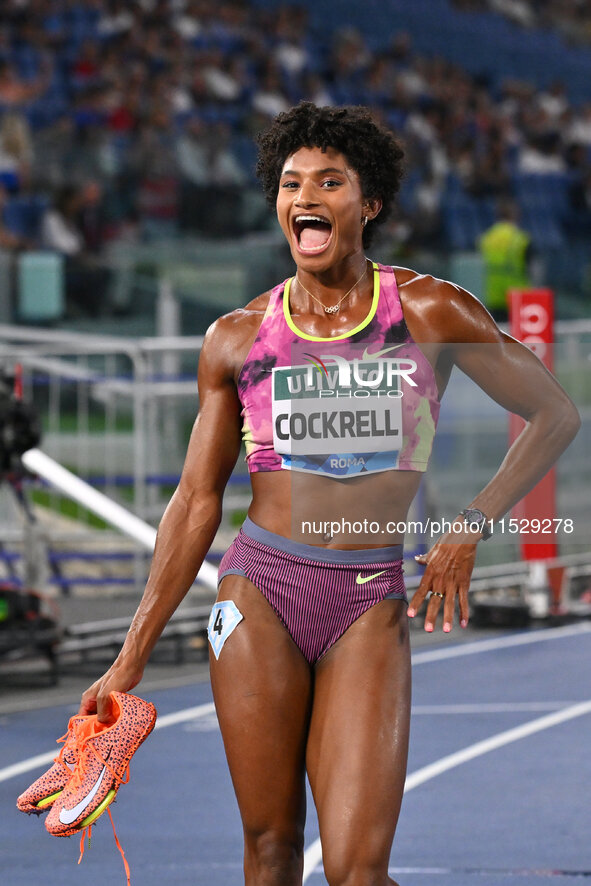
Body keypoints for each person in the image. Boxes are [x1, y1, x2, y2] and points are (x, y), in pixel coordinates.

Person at [79, 103, 580, 886]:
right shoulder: (237, 337)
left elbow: (553, 412)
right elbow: (194, 501)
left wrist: (467, 526)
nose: (303, 195)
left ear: (367, 203)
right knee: (271, 847)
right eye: (289, 183)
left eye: (329, 181)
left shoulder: (426, 310)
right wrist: (130, 655)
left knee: (356, 869)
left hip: (367, 600)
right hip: (258, 592)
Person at [478, 199, 533, 322]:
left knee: (499, 336)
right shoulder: (520, 238)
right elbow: (532, 267)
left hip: (493, 295)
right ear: (514, 215)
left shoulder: (487, 237)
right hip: (517, 295)